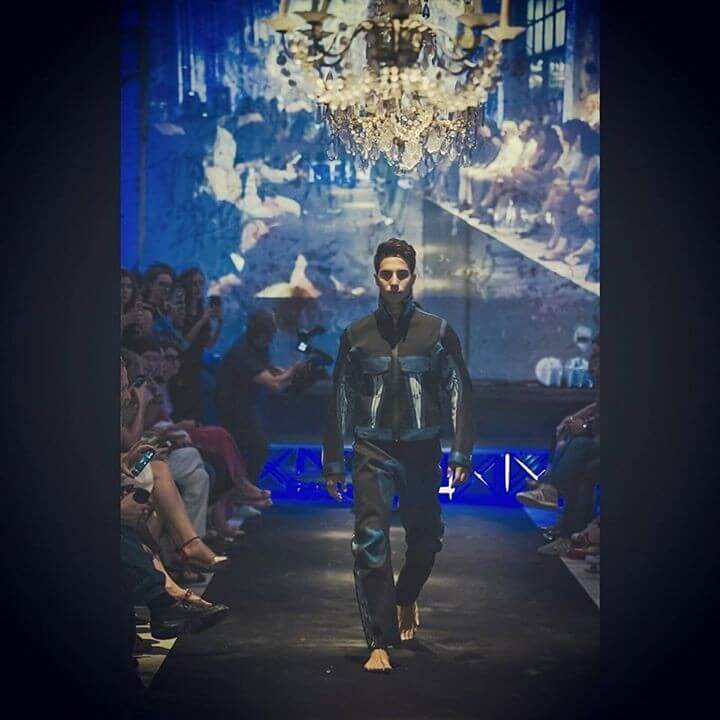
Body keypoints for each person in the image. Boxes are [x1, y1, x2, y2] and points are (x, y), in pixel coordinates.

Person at [322, 238, 474, 673]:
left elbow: (460, 391)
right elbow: (340, 399)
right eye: (386, 274)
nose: (393, 282)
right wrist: (334, 462)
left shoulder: (437, 331)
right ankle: (379, 640)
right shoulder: (356, 334)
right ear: (376, 278)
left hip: (422, 450)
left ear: (413, 278)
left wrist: (461, 451)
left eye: (401, 274)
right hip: (372, 449)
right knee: (370, 541)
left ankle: (406, 596)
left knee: (425, 540)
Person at [215, 308, 306, 486]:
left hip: (246, 404)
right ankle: (243, 488)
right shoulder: (243, 353)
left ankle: (244, 487)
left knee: (252, 448)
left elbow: (267, 368)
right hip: (232, 407)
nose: (272, 339)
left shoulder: (258, 347)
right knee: (257, 448)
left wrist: (288, 373)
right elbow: (273, 384)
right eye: (270, 334)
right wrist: (293, 371)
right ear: (261, 333)